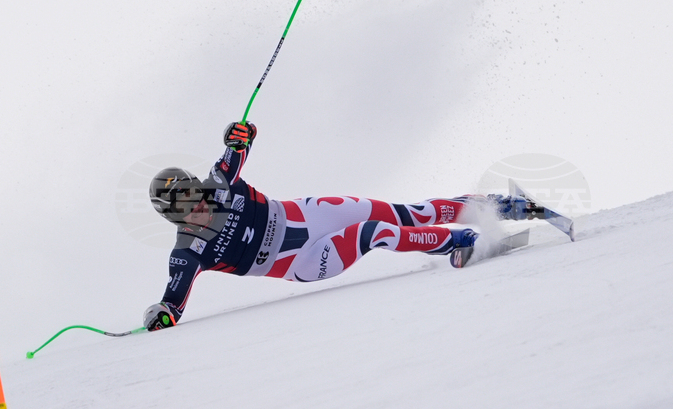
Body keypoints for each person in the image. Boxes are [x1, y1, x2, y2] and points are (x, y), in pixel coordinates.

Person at [143, 121, 545, 331]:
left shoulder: (220, 180)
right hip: (302, 259)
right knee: (374, 233)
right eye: (183, 210)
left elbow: (241, 141)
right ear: (173, 218)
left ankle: (501, 206)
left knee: (409, 214)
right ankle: (460, 245)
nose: (195, 208)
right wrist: (158, 316)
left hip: (311, 213)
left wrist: (239, 133)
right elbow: (170, 307)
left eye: (193, 197)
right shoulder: (187, 253)